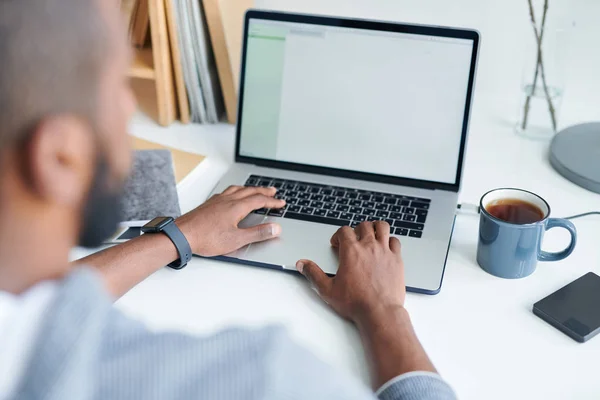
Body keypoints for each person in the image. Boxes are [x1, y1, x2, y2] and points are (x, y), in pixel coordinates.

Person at [0, 0, 456, 399]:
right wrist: (382, 310)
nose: (127, 108)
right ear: (59, 157)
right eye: (117, 82)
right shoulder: (264, 381)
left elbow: (42, 309)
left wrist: (180, 236)